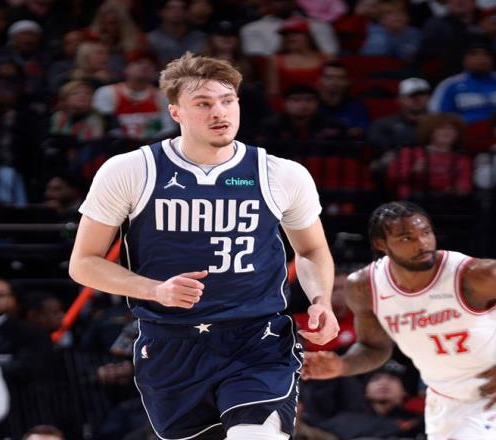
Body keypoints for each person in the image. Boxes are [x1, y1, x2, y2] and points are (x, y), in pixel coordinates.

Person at [69, 52, 339, 440]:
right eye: (203, 103)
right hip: (171, 342)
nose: (219, 112)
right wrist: (155, 290)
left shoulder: (281, 174)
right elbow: (84, 262)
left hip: (257, 339)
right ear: (175, 112)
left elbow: (312, 251)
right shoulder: (131, 170)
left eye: (227, 101)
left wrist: (321, 300)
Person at [302, 201, 496, 440]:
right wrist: (342, 366)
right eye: (407, 238)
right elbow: (374, 347)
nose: (422, 243)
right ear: (381, 244)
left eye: (426, 233)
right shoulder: (365, 286)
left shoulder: (476, 275)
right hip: (445, 400)